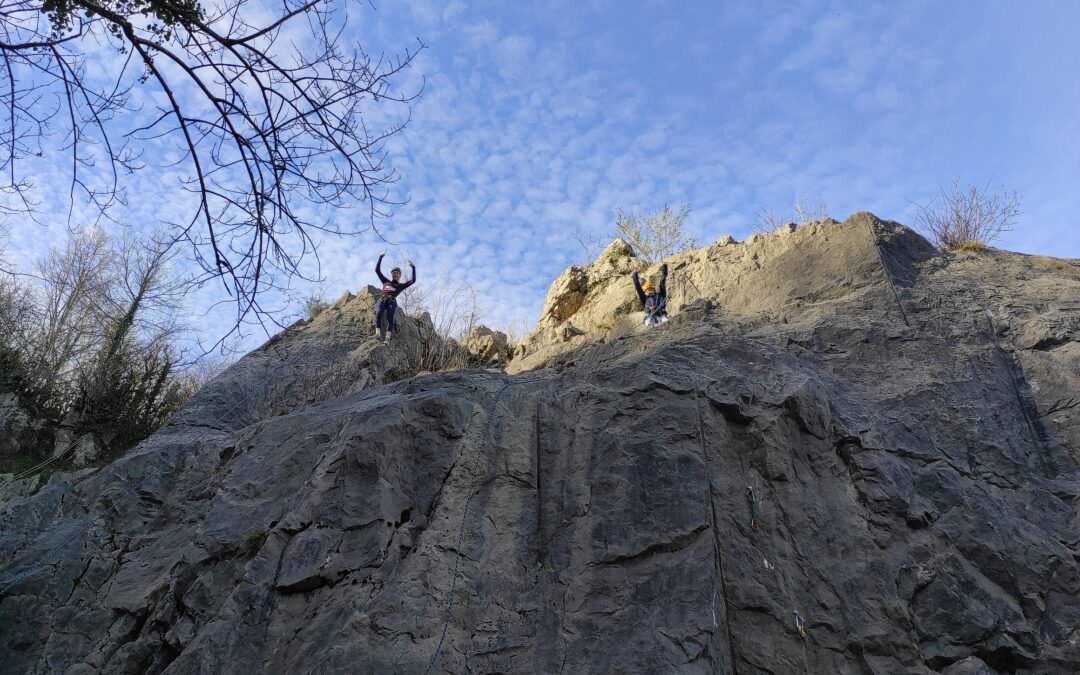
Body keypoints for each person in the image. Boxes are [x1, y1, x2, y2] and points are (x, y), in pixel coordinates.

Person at [373, 252, 416, 342]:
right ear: (392, 275)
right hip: (383, 299)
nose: (395, 275)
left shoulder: (400, 286)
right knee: (378, 313)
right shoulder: (386, 282)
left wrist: (413, 268)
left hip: (392, 301)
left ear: (399, 276)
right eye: (394, 273)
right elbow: (377, 270)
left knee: (390, 318)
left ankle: (387, 339)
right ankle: (377, 335)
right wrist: (380, 257)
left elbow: (412, 281)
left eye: (397, 274)